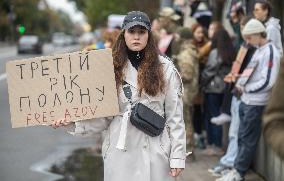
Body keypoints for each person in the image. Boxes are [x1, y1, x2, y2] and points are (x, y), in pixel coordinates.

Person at [51, 11, 186, 181]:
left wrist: (177, 157)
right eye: (131, 32)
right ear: (123, 34)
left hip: (156, 151)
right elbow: (104, 118)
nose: (136, 37)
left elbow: (175, 117)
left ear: (149, 36)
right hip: (120, 152)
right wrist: (72, 122)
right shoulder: (109, 68)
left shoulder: (165, 68)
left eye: (142, 32)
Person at [217, 19, 281, 181]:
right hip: (246, 99)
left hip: (256, 101)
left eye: (249, 38)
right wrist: (240, 81)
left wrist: (246, 88)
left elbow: (269, 81)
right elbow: (254, 74)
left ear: (258, 34)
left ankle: (239, 172)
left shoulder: (270, 51)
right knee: (241, 136)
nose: (247, 42)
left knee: (248, 139)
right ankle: (236, 168)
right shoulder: (258, 49)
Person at [209, 16, 256, 176]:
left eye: (245, 27)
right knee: (234, 132)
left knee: (239, 133)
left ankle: (233, 165)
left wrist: (239, 79)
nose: (243, 31)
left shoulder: (254, 48)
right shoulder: (244, 45)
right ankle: (229, 161)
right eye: (242, 27)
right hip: (237, 91)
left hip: (246, 93)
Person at [201, 27, 235, 156]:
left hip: (213, 88)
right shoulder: (232, 51)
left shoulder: (215, 52)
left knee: (214, 117)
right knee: (223, 117)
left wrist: (202, 82)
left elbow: (209, 70)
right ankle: (222, 145)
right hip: (227, 88)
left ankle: (216, 145)